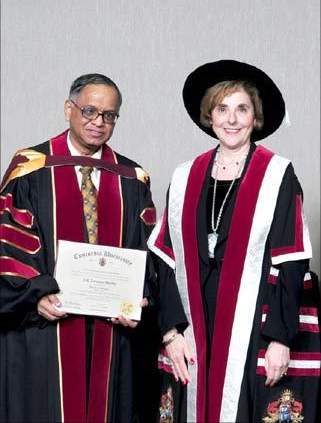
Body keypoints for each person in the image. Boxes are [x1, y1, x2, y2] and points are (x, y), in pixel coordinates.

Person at [148, 60, 321, 422]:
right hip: (194, 322)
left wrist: (280, 338)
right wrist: (169, 331)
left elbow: (292, 263)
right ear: (209, 115)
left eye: (241, 109)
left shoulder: (277, 175)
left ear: (255, 117)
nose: (231, 119)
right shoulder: (184, 176)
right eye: (222, 108)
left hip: (254, 322)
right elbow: (164, 261)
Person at [0, 73, 160, 423]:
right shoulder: (30, 169)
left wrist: (138, 296)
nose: (98, 122)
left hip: (111, 331)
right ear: (68, 109)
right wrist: (34, 296)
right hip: (45, 328)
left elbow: (148, 252)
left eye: (109, 115)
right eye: (89, 110)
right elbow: (9, 247)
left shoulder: (132, 179)